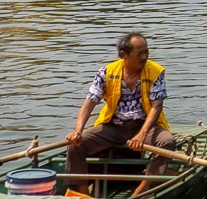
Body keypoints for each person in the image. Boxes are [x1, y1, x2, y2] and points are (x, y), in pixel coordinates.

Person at [66, 32, 179, 184]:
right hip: (114, 126)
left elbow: (156, 106)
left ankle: (143, 190)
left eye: (146, 52)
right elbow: (90, 102)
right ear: (123, 54)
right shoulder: (106, 72)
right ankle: (79, 192)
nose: (145, 57)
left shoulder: (155, 72)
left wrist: (141, 135)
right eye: (139, 53)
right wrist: (78, 130)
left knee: (167, 142)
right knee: (75, 146)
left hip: (144, 126)